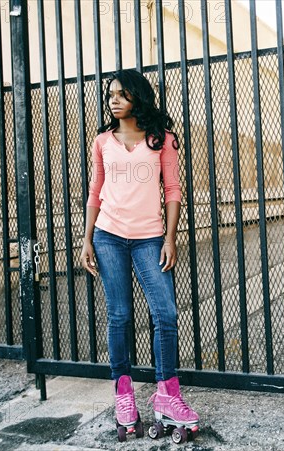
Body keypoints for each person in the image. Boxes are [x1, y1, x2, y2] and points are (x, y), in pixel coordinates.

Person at [80, 69, 199, 442]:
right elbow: (95, 191)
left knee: (165, 314)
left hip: (150, 238)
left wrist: (170, 237)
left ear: (138, 97)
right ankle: (124, 396)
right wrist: (86, 240)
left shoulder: (160, 139)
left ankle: (168, 394)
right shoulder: (102, 141)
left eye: (121, 94)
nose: (113, 100)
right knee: (120, 316)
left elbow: (173, 189)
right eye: (110, 94)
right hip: (108, 237)